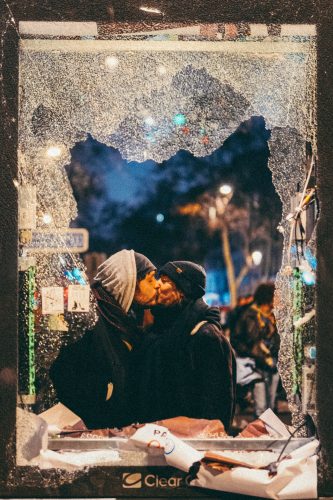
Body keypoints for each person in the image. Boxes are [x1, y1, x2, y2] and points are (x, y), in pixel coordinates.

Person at [50, 249, 160, 429]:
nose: (156, 285)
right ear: (128, 282)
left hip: (108, 432)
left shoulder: (122, 321)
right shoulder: (91, 319)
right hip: (87, 433)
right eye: (150, 279)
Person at [133, 261, 236, 432]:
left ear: (183, 291)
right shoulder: (158, 329)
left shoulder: (205, 335)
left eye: (166, 281)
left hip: (188, 447)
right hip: (153, 439)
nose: (157, 285)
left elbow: (217, 406)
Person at [231, 282, 280, 417]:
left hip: (273, 364)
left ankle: (270, 434)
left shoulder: (275, 316)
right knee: (261, 407)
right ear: (268, 297)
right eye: (276, 295)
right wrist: (252, 353)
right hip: (256, 365)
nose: (279, 298)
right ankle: (262, 435)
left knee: (270, 405)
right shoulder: (248, 315)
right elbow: (235, 340)